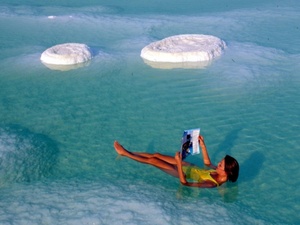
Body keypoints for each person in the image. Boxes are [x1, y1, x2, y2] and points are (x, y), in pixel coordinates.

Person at [113, 135, 239, 188]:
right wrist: (203, 145)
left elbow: (185, 183)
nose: (218, 164)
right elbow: (207, 163)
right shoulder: (217, 172)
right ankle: (129, 152)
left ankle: (125, 153)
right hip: (189, 166)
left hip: (180, 172)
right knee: (157, 155)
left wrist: (178, 163)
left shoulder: (211, 184)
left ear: (226, 172)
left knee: (153, 160)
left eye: (220, 165)